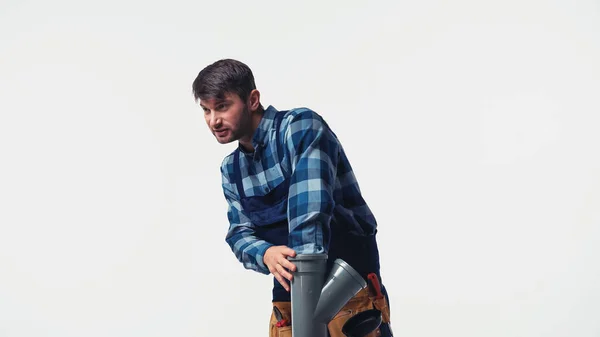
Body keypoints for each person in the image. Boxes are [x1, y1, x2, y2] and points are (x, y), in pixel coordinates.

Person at [192, 58, 393, 337]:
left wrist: (308, 313)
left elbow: (309, 215)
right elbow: (238, 234)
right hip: (288, 303)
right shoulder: (231, 169)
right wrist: (265, 253)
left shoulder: (298, 128)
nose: (214, 120)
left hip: (348, 293)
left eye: (222, 106)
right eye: (206, 110)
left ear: (252, 100)